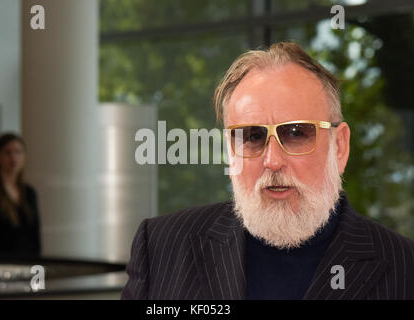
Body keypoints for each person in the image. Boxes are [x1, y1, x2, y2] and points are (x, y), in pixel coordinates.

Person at [121, 41, 414, 300]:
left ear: (339, 146)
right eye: (251, 136)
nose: (272, 160)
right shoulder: (161, 248)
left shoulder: (405, 268)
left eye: (297, 134)